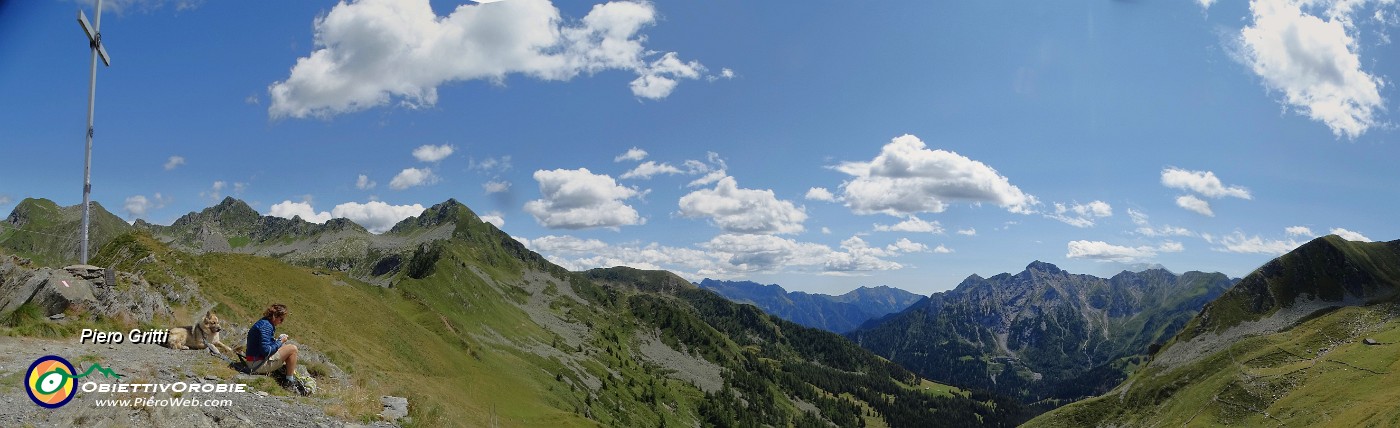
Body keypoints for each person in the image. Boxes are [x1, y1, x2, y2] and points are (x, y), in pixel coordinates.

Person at [245, 303, 300, 388]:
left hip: (253, 360)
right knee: (293, 349)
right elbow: (266, 351)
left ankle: (289, 375)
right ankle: (289, 382)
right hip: (257, 365)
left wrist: (277, 341)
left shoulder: (264, 322)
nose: (281, 322)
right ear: (275, 316)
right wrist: (280, 341)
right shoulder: (266, 326)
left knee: (286, 348)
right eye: (281, 319)